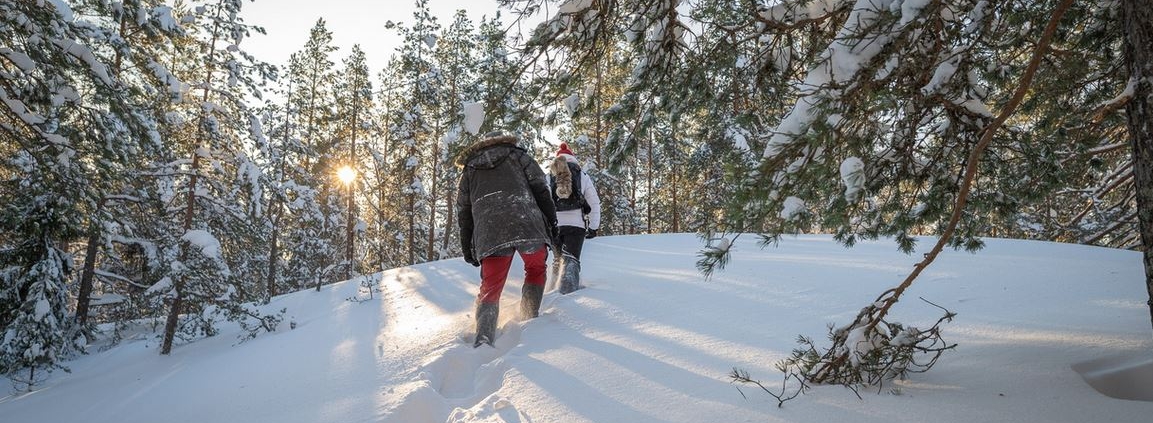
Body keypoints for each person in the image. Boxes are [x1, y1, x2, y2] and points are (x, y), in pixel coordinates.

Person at [456, 130, 559, 348]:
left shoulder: (469, 170)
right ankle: (529, 319)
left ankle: (483, 339)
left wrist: (468, 246)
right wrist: (552, 223)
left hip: (491, 233)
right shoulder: (519, 156)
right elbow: (542, 190)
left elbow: (464, 211)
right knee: (535, 269)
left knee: (491, 285)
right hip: (527, 224)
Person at [548, 142, 601, 294]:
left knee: (558, 260)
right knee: (571, 260)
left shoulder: (549, 176)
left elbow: (542, 203)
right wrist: (593, 227)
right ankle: (567, 295)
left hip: (555, 226)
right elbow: (594, 203)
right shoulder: (582, 176)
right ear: (573, 158)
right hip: (576, 226)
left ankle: (552, 291)